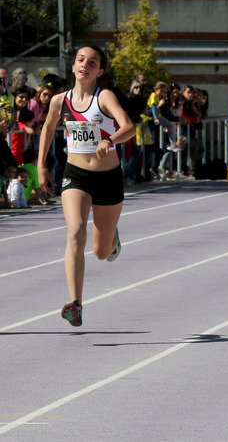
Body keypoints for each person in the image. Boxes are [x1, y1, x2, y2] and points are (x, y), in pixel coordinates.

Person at [37, 45, 135, 327]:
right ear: (73, 66)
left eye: (92, 62)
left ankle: (112, 237)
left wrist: (110, 140)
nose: (85, 65)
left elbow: (128, 126)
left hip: (108, 178)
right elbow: (46, 128)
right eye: (81, 60)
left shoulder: (103, 97)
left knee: (101, 253)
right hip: (76, 175)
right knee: (75, 231)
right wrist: (42, 165)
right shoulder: (59, 101)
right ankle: (75, 303)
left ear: (99, 71)